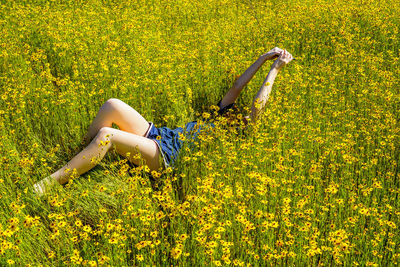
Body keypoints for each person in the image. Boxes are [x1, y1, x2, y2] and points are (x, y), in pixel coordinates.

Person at [32, 48, 293, 196]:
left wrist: (276, 69)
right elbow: (237, 85)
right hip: (161, 135)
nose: (243, 113)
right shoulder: (223, 113)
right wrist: (264, 58)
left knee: (107, 136)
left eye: (247, 116)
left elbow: (258, 107)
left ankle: (48, 185)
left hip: (168, 156)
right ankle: (79, 157)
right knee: (112, 104)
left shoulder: (240, 133)